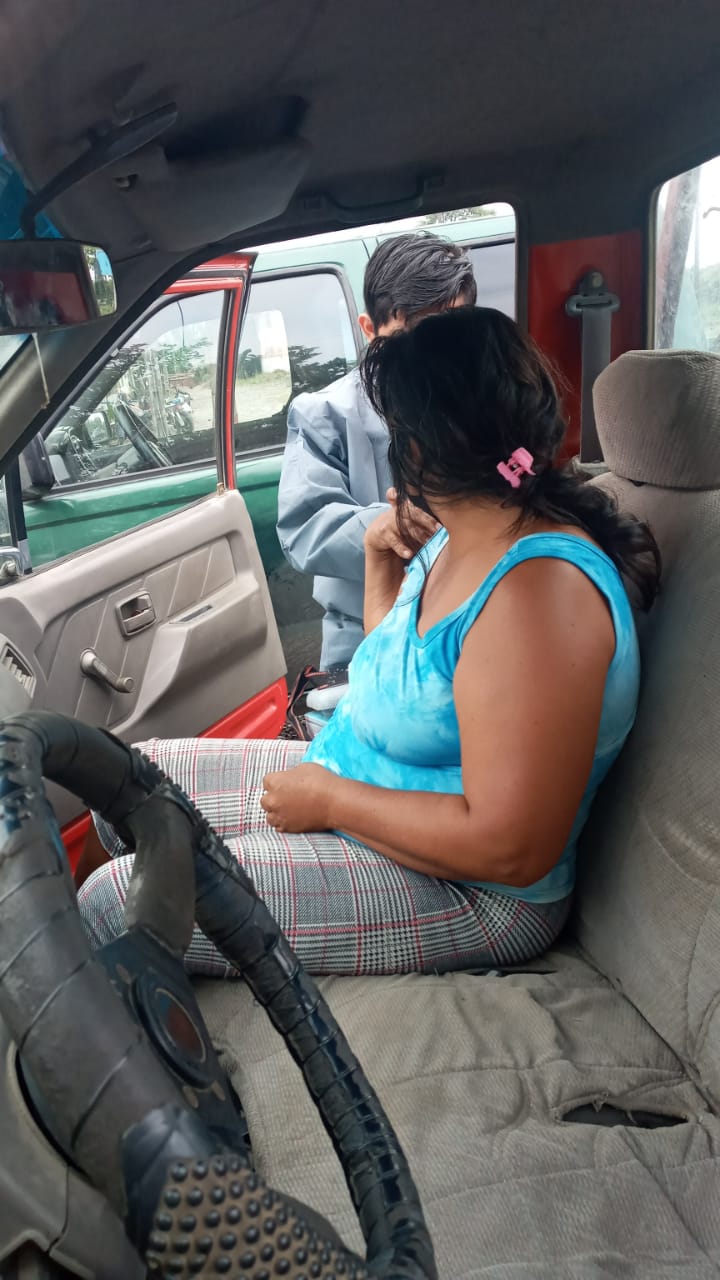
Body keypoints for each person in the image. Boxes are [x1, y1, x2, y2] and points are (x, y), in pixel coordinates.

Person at [78, 307, 660, 978]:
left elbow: (513, 848)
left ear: (419, 449)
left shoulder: (539, 597)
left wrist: (331, 801)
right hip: (359, 784)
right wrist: (381, 560)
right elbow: (414, 684)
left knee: (117, 901)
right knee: (119, 782)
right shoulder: (462, 531)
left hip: (472, 889)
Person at [276, 231, 477, 670]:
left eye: (448, 335)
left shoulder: (487, 399)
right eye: (411, 337)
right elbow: (304, 530)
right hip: (361, 637)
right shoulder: (324, 413)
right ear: (370, 330)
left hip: (473, 621)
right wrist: (385, 527)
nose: (429, 357)